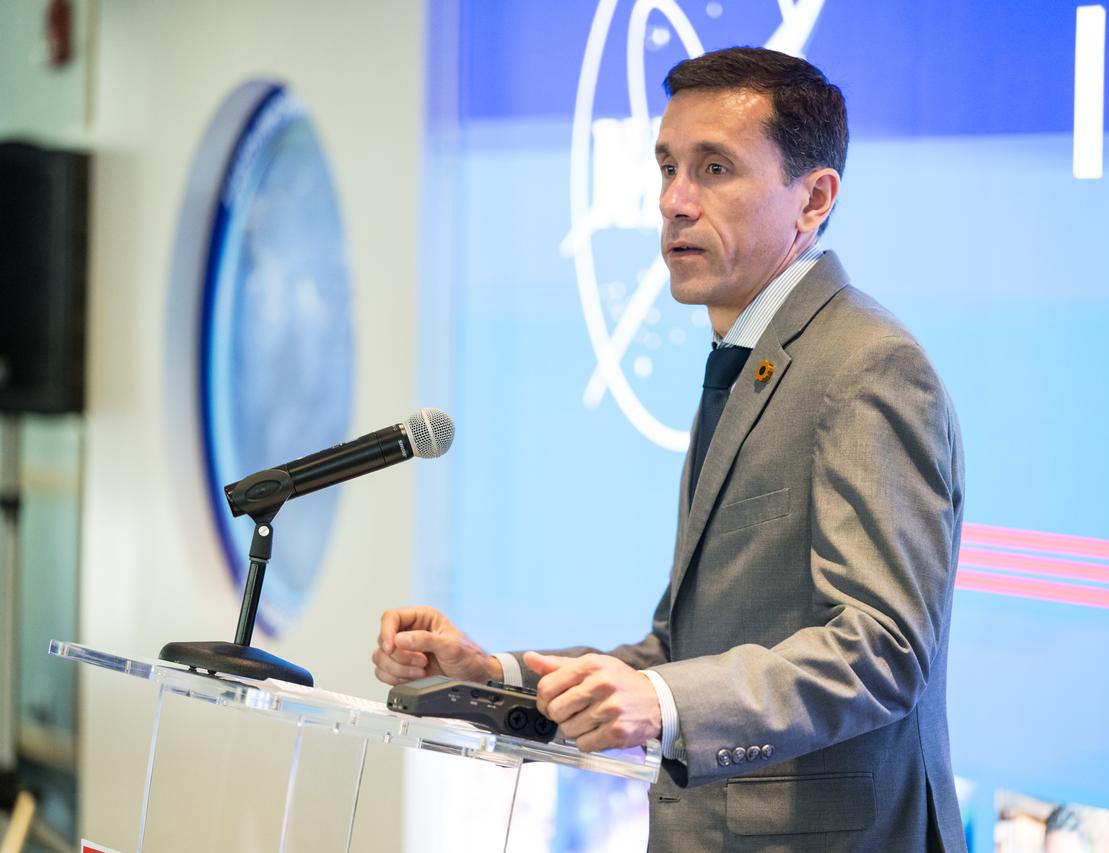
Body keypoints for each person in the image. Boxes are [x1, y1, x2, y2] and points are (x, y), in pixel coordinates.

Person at [373, 46, 966, 852]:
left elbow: (884, 648)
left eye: (715, 168)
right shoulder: (755, 359)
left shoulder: (866, 366)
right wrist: (495, 674)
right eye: (667, 167)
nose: (676, 202)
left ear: (814, 198)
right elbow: (678, 654)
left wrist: (664, 700)